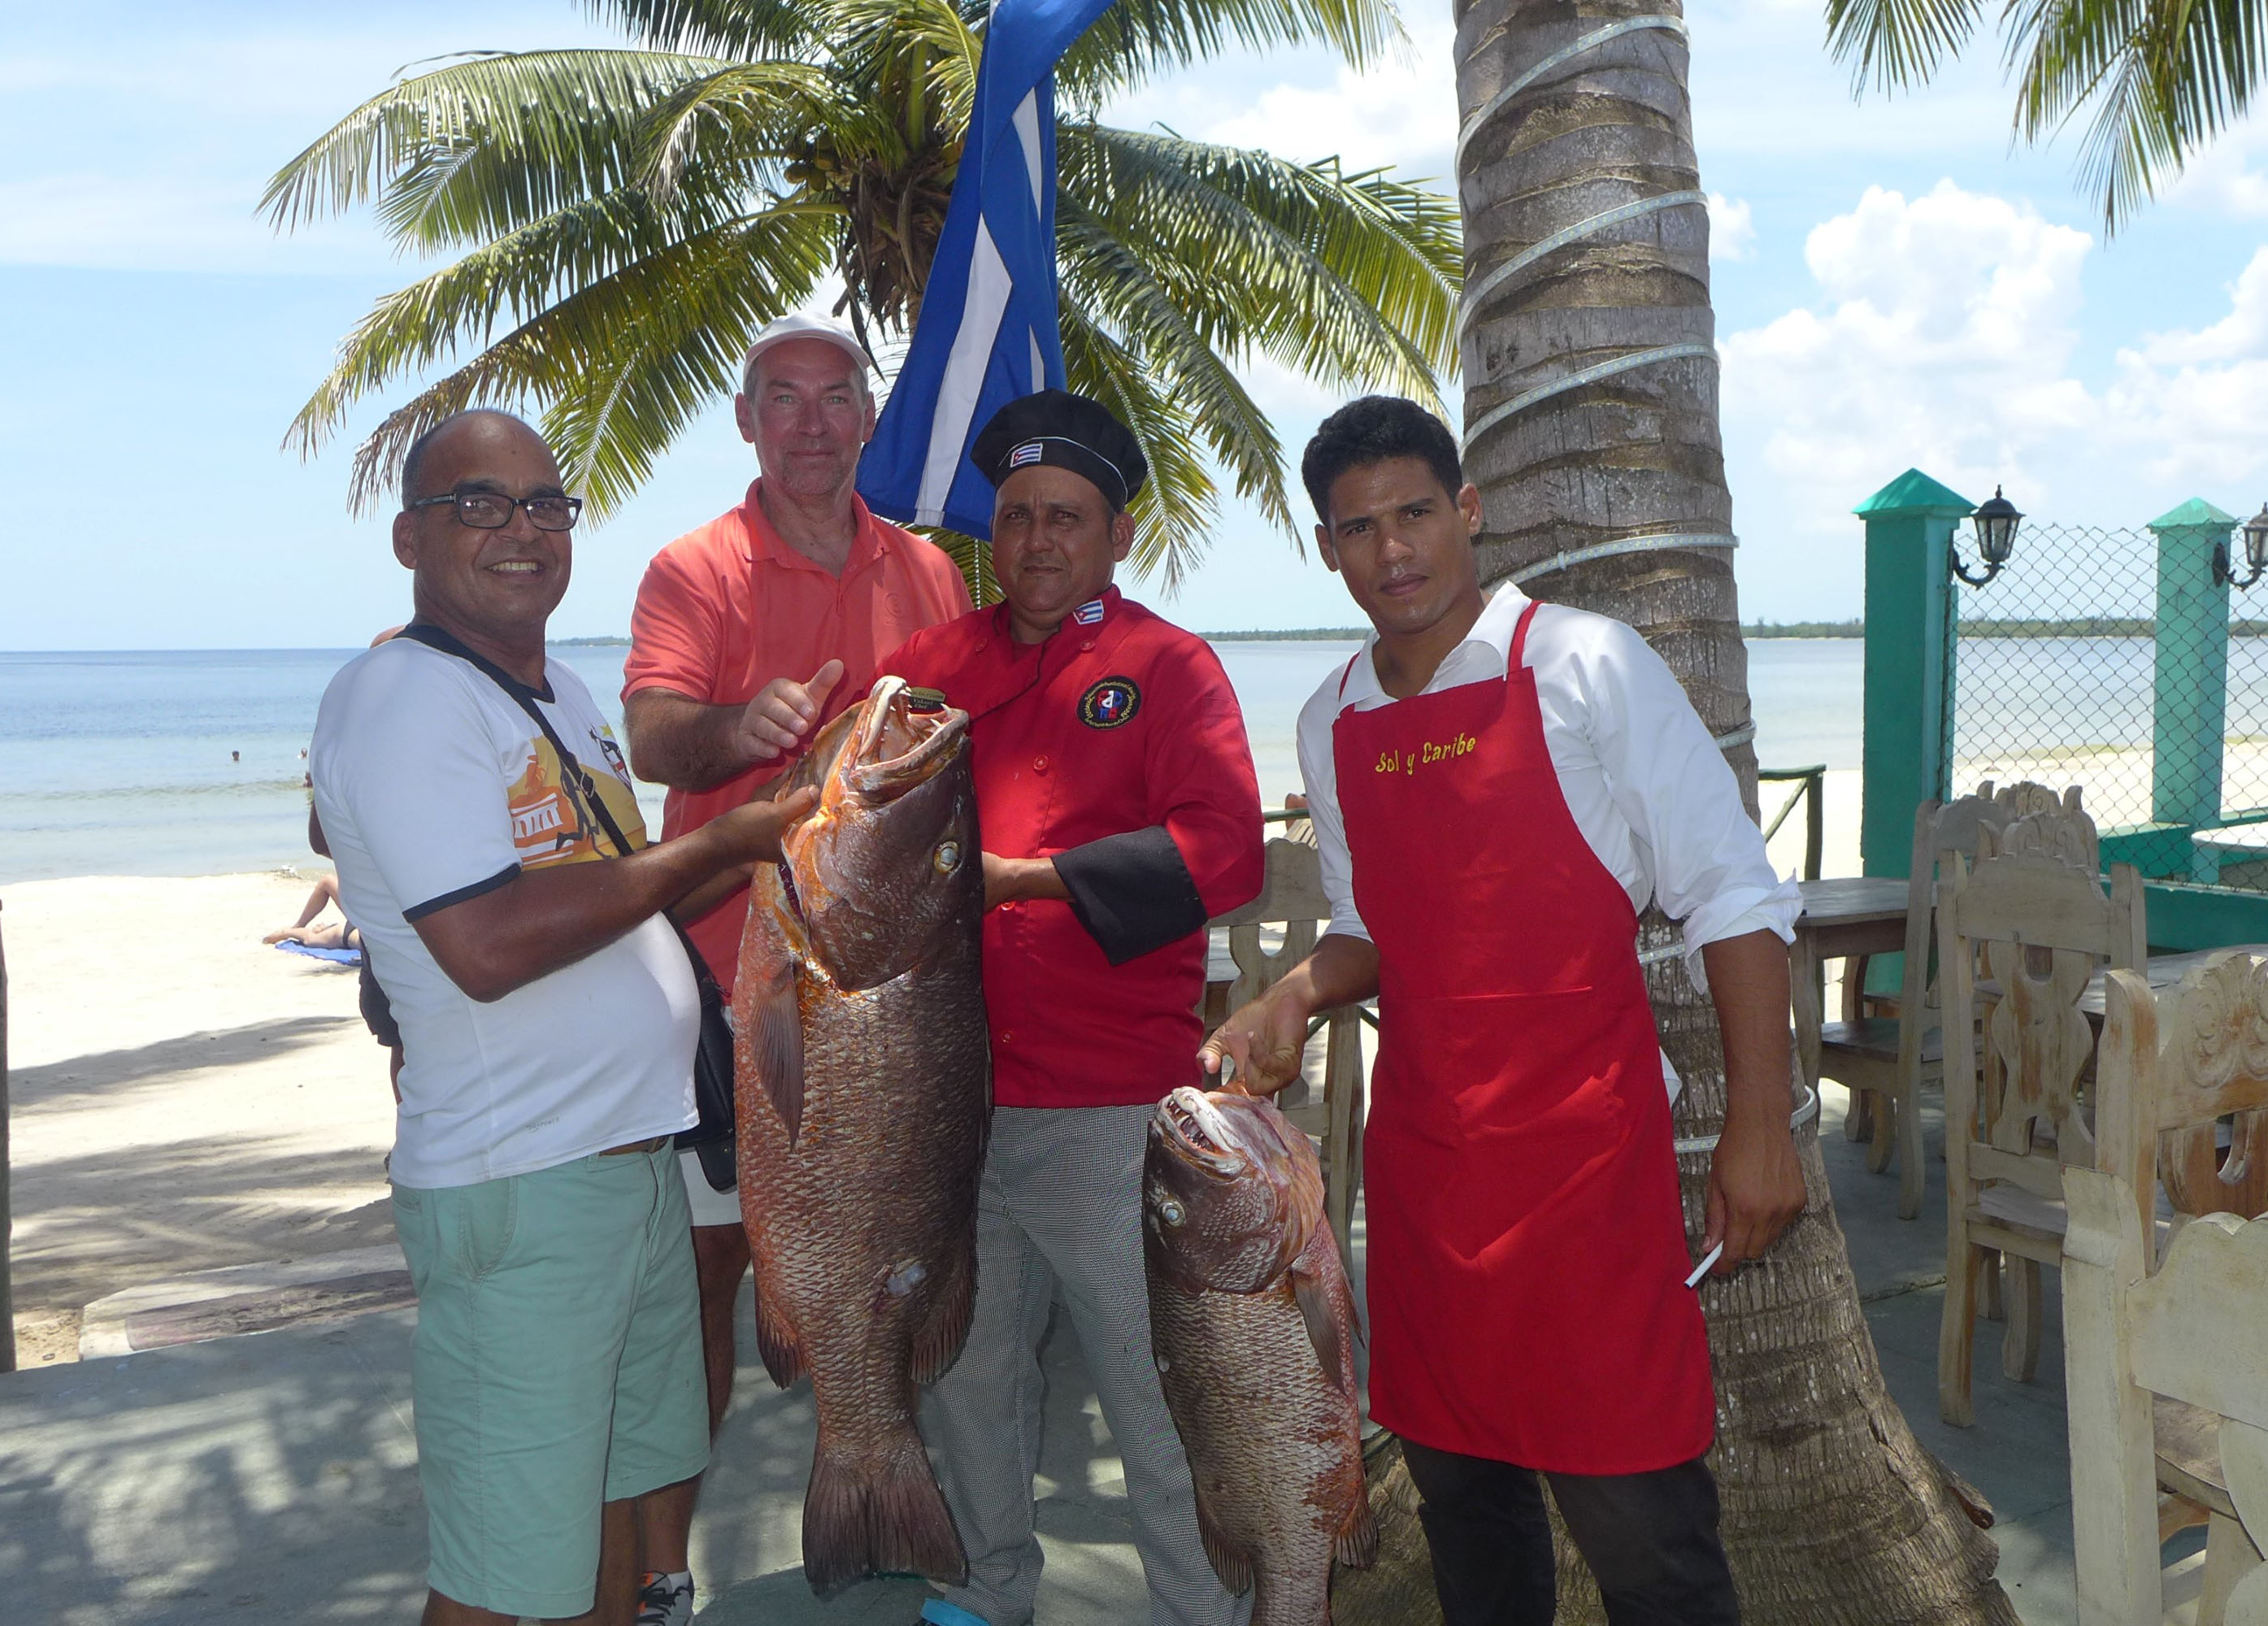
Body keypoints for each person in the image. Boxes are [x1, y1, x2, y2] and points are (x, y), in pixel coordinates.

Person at [1201, 397, 1808, 1626]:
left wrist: (1762, 1128)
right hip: (1428, 1192)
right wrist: (1300, 990)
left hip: (1591, 1183)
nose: (1394, 552)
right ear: (1329, 549)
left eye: (1416, 513)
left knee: (1649, 1544)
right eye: (1359, 529)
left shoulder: (1583, 663)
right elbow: (1372, 928)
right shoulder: (1335, 718)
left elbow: (1733, 894)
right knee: (1469, 1522)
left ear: (1467, 511)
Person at [310, 409, 812, 1626]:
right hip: (520, 1186)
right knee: (499, 1576)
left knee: (615, 1528)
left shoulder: (566, 693)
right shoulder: (402, 696)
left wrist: (785, 829)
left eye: (546, 504)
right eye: (479, 504)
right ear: (408, 538)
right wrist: (718, 838)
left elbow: (621, 898)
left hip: (630, 1170)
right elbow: (483, 947)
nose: (521, 530)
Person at [876, 389, 1265, 1626]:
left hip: (1114, 1113)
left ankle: (1207, 1610)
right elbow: (849, 815)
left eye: (1068, 517)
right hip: (950, 1105)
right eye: (1019, 516)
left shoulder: (1168, 665)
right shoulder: (933, 669)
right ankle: (993, 1589)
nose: (1037, 540)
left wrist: (1027, 882)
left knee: (1160, 1398)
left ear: (1118, 535)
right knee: (969, 1379)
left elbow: (1227, 852)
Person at [618, 313, 971, 1624]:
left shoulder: (927, 571)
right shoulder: (696, 567)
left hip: (894, 982)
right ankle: (664, 1571)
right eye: (785, 400)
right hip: (725, 979)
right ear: (746, 420)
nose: (813, 424)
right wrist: (738, 727)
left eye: (836, 401)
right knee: (706, 1284)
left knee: (898, 1235)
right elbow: (652, 735)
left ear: (868, 422)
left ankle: (888, 1484)